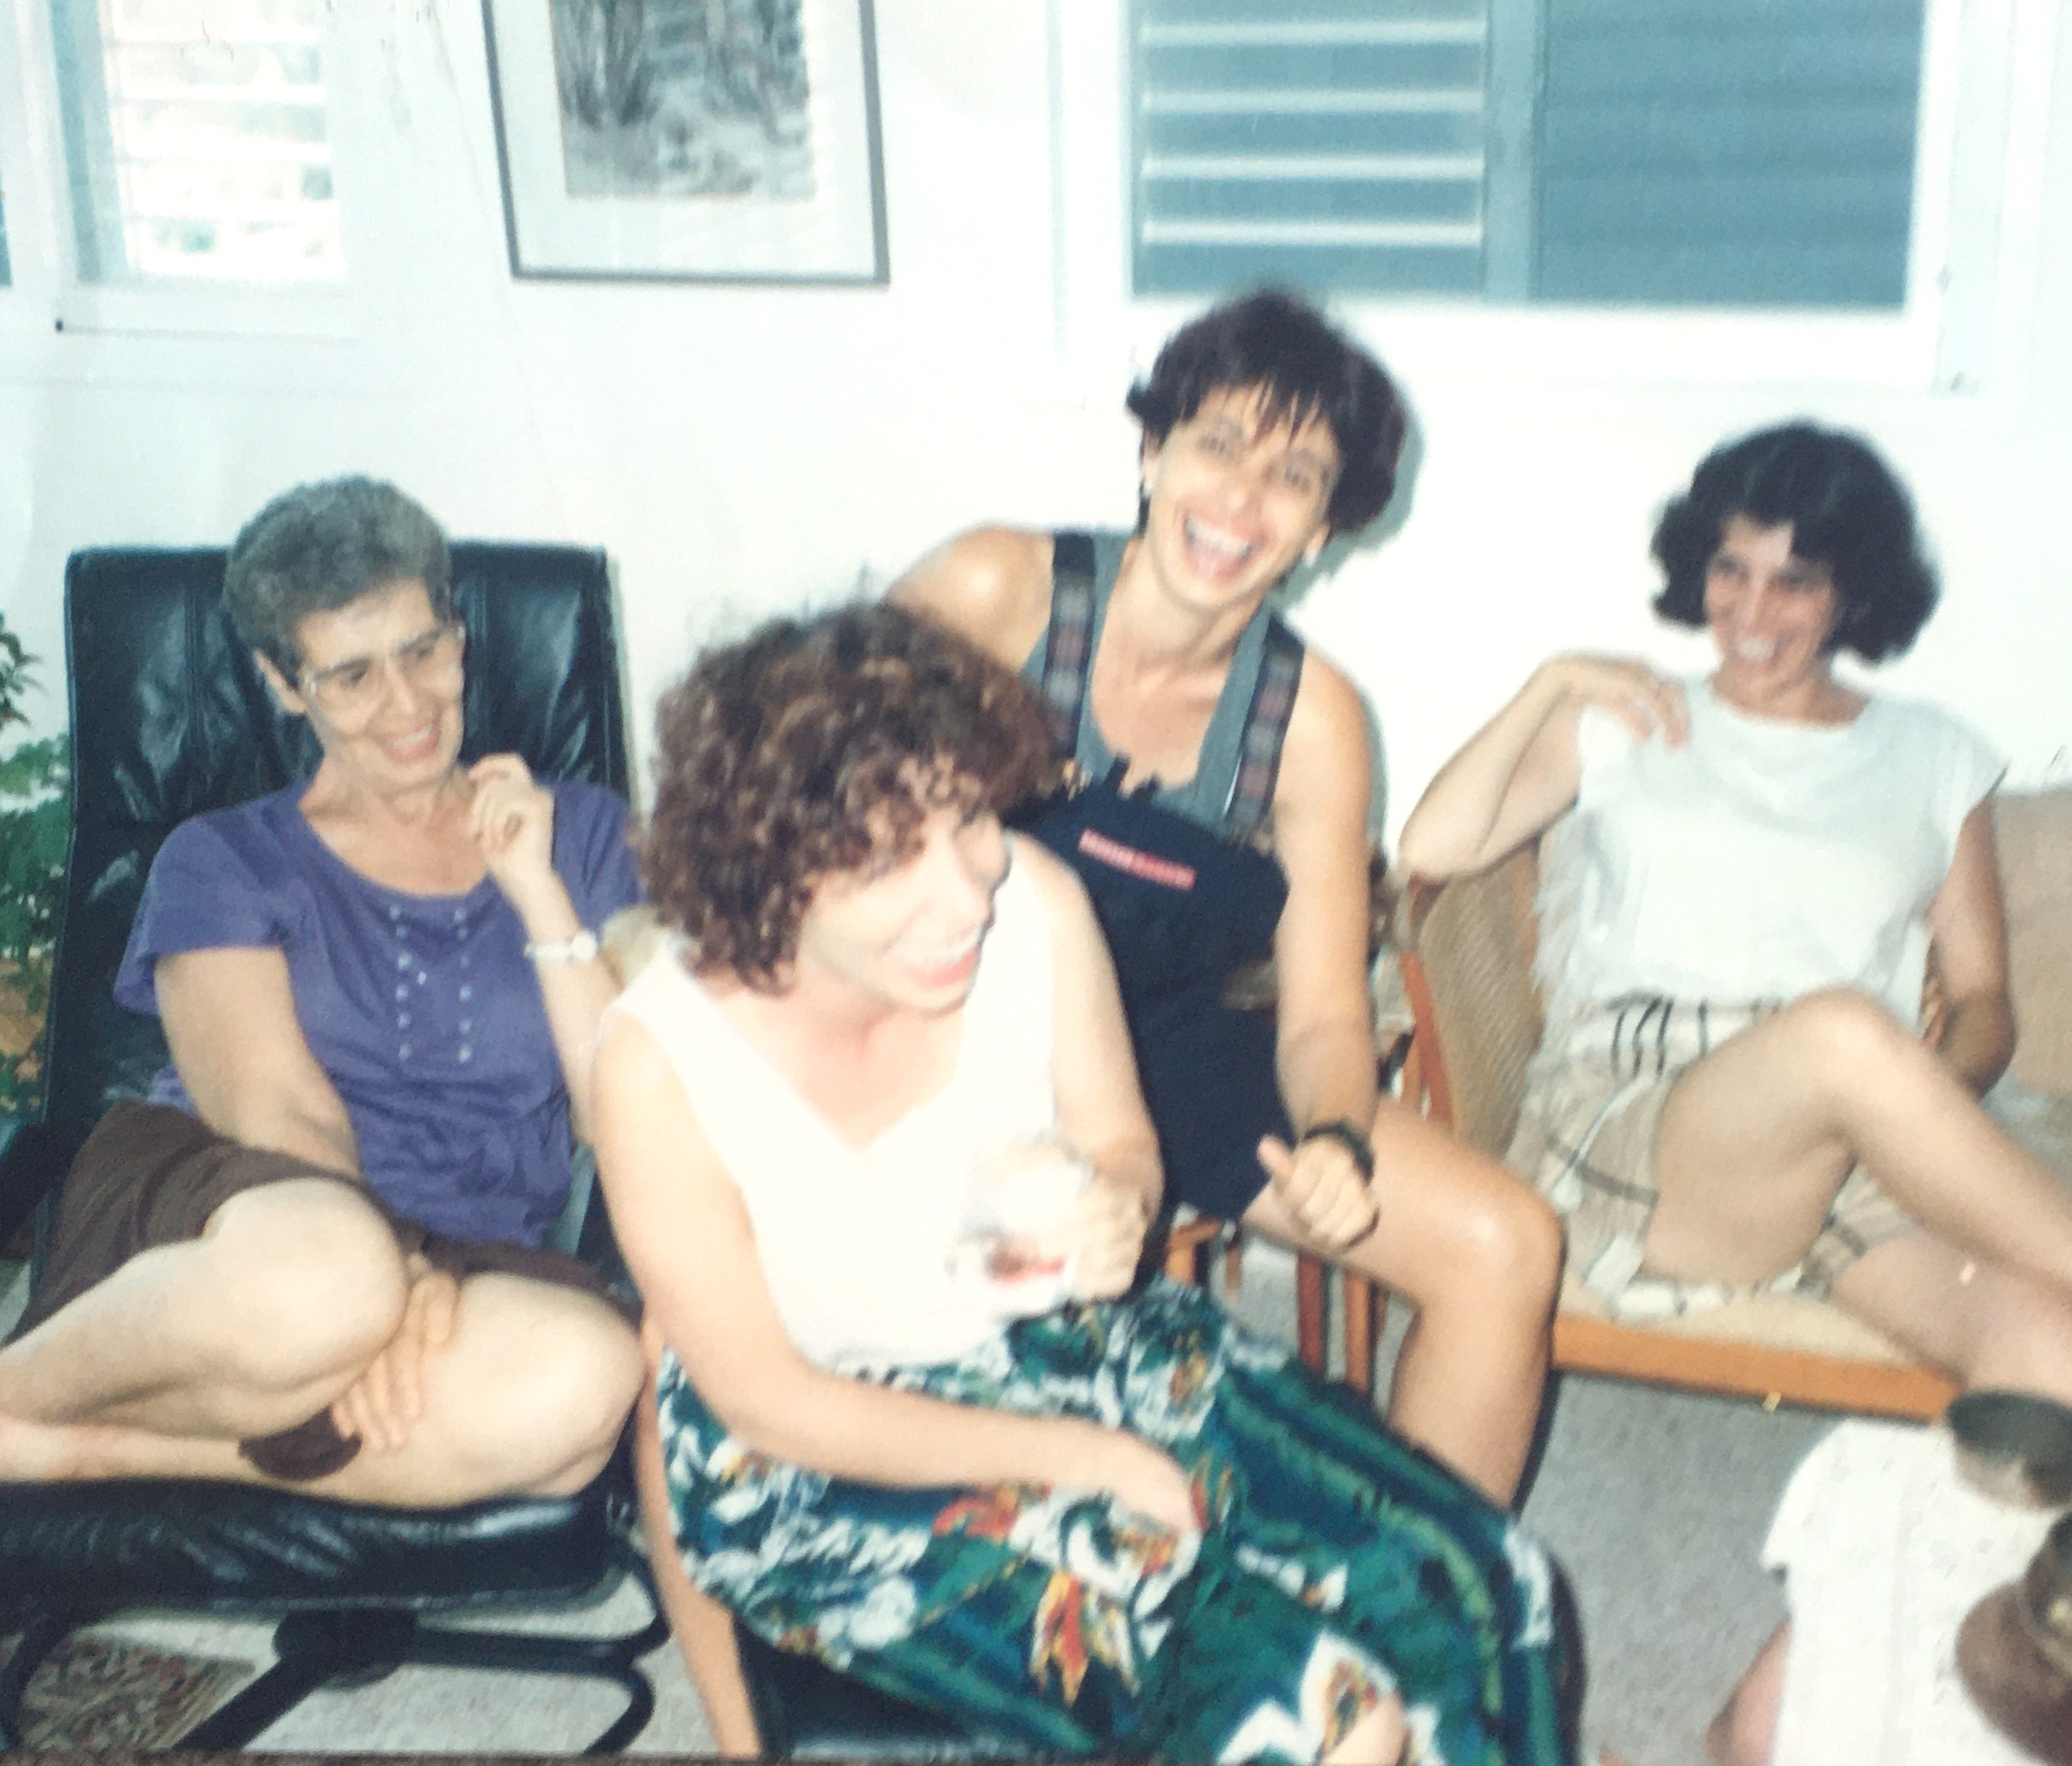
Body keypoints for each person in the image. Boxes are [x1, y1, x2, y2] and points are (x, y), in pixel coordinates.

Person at [1396, 420, 2072, 1764]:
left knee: (2063, 1366)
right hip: (1645, 1117)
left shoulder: (1934, 754)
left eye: (1794, 580)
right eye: (1730, 571)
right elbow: (1431, 843)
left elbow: (1985, 1000)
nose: (1753, 613)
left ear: (1853, 593)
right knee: (1846, 1033)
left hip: (1843, 1124)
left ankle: (1757, 1720)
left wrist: (1920, 1109)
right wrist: (1551, 682)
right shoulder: (1624, 719)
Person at [594, 604, 1569, 1765]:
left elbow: (1121, 1144)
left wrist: (1116, 1205)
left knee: (1477, 1580)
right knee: (1311, 1713)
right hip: (824, 1460)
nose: (967, 895)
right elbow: (767, 1402)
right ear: (769, 866)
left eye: (969, 819)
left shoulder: (1037, 905)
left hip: (1072, 1349)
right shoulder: (659, 1061)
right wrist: (1082, 1458)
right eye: (892, 859)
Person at [893, 290, 1562, 1504]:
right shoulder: (997, 590)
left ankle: (1419, 1585)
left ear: (1323, 530)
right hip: (937, 1017)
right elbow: (811, 820)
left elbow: (1323, 1017)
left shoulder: (1314, 722)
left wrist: (1335, 1140)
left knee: (1506, 1244)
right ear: (1152, 452)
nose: (1243, 502)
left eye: (1294, 477)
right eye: (1218, 445)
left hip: (1162, 1043)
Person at [0, 476, 645, 1516]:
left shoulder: (584, 832)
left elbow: (622, 1119)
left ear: (459, 637)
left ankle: (52, 1445)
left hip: (471, 1250)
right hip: (237, 1232)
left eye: (423, 649)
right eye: (352, 675)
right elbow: (275, 1115)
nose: (407, 703)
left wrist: (538, 894)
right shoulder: (223, 857)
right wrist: (393, 1275)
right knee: (329, 1278)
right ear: (284, 684)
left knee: (585, 1379)